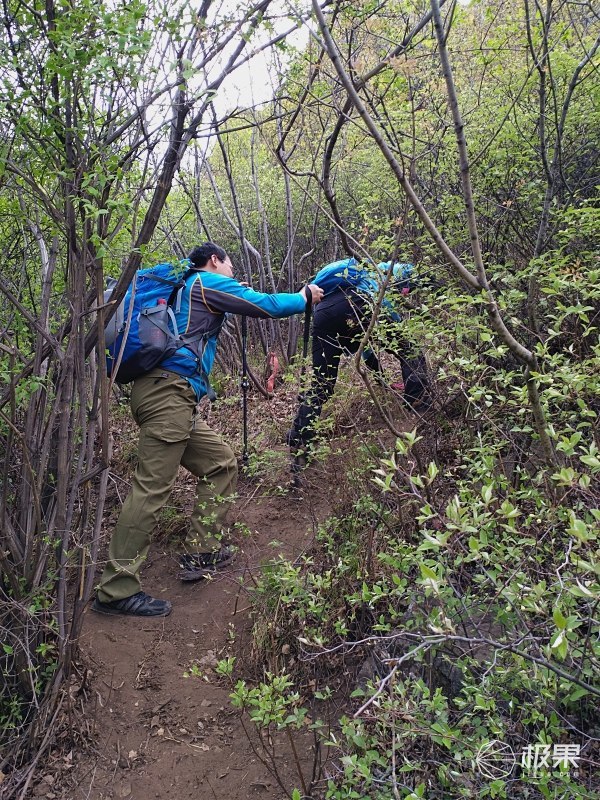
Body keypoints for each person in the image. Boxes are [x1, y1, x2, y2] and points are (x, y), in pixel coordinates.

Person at [93, 242, 324, 617]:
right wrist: (304, 297)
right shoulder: (202, 282)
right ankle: (115, 591)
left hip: (169, 395)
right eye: (229, 263)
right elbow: (266, 305)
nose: (232, 270)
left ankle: (202, 552)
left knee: (220, 463)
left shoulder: (189, 289)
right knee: (151, 489)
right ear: (215, 260)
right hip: (167, 394)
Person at [287, 258, 430, 456]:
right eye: (407, 290)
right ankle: (418, 402)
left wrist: (381, 379)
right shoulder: (384, 270)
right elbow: (409, 270)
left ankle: (299, 436)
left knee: (323, 382)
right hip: (359, 302)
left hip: (324, 315)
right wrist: (430, 281)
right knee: (410, 349)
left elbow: (365, 348)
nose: (406, 293)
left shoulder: (354, 279)